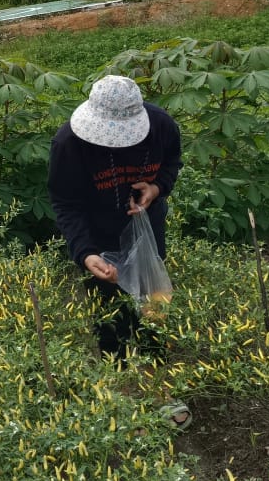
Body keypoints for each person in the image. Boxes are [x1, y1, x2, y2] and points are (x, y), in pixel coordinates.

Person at [47, 75, 183, 359]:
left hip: (148, 229)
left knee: (153, 304)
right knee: (109, 312)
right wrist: (86, 253)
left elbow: (172, 162)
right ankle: (118, 370)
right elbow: (66, 203)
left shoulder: (162, 126)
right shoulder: (68, 143)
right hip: (97, 235)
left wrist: (156, 188)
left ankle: (156, 365)